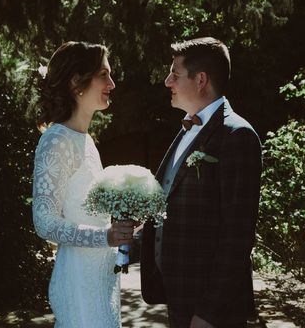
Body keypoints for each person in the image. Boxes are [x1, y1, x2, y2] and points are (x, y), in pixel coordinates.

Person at [140, 37, 262, 328]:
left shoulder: (237, 136)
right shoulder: (187, 128)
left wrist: (208, 313)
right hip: (179, 296)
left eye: (175, 74)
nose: (167, 81)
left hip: (211, 311)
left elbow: (238, 235)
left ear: (201, 80)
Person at [32, 41, 135, 328]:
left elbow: (89, 213)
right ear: (77, 81)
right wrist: (104, 236)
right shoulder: (56, 141)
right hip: (77, 279)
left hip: (102, 278)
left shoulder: (86, 141)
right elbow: (44, 221)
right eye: (104, 74)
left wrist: (123, 229)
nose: (112, 84)